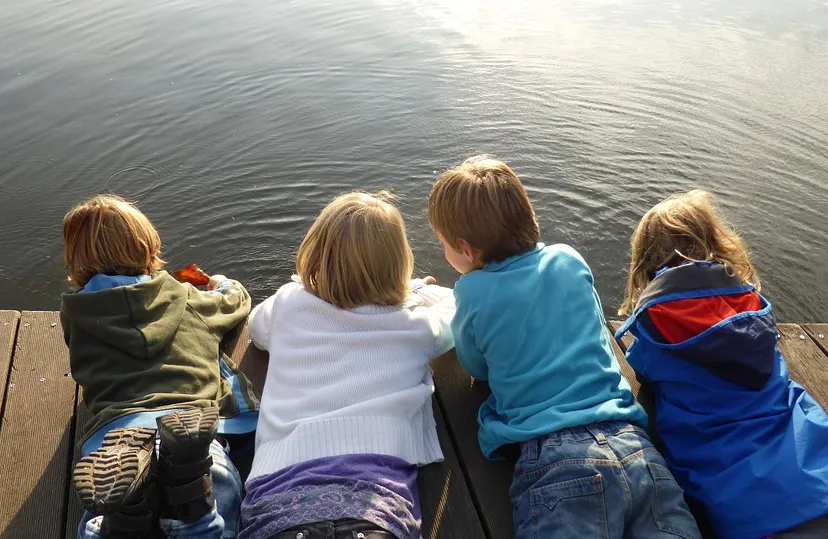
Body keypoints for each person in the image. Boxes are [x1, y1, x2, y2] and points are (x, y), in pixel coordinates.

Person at [428, 156, 701, 539]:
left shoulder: (471, 290)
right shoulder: (569, 259)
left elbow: (476, 367)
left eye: (442, 245)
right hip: (634, 445)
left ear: (465, 248)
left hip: (556, 459)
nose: (444, 253)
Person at [239, 191, 455, 539]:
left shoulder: (289, 304)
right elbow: (456, 309)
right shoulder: (416, 324)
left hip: (280, 490)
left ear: (315, 253)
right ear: (398, 263)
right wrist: (415, 291)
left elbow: (256, 329)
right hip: (376, 493)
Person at [616, 189, 828, 539]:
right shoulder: (752, 306)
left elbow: (644, 373)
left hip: (747, 500)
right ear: (718, 242)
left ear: (646, 262)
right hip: (815, 462)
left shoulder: (655, 325)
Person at [62, 195, 260, 539]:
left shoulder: (76, 314)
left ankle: (127, 518)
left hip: (115, 441)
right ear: (147, 247)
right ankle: (191, 503)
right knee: (220, 516)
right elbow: (235, 301)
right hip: (194, 432)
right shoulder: (184, 298)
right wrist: (221, 282)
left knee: (97, 523)